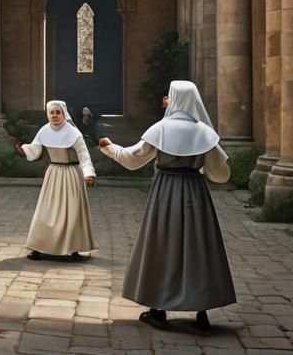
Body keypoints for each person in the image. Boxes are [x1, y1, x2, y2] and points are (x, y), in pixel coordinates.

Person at [98, 80, 235, 332]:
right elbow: (220, 175)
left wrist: (110, 149)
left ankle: (158, 309)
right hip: (195, 193)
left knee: (162, 245)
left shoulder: (160, 128)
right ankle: (201, 310)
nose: (165, 101)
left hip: (165, 193)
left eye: (168, 97)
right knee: (197, 247)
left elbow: (133, 159)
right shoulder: (204, 132)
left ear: (175, 99)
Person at [13, 100, 97, 261]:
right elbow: (35, 149)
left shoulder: (74, 133)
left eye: (58, 112)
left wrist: (88, 173)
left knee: (72, 211)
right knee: (46, 211)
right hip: (53, 174)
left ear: (63, 113)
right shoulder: (44, 130)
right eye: (52, 112)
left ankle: (73, 248)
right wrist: (22, 149)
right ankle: (39, 247)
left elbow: (84, 156)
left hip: (72, 174)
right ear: (48, 114)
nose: (54, 115)